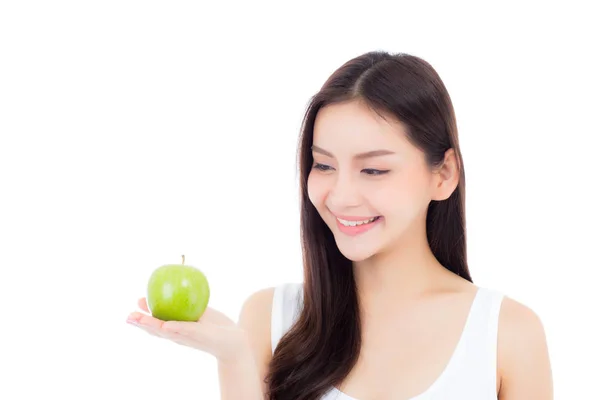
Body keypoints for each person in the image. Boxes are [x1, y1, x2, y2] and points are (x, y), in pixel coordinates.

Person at [126, 50, 554, 399]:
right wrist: (234, 359)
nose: (341, 196)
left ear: (443, 174)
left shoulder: (506, 335)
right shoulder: (268, 319)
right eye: (324, 164)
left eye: (373, 170)